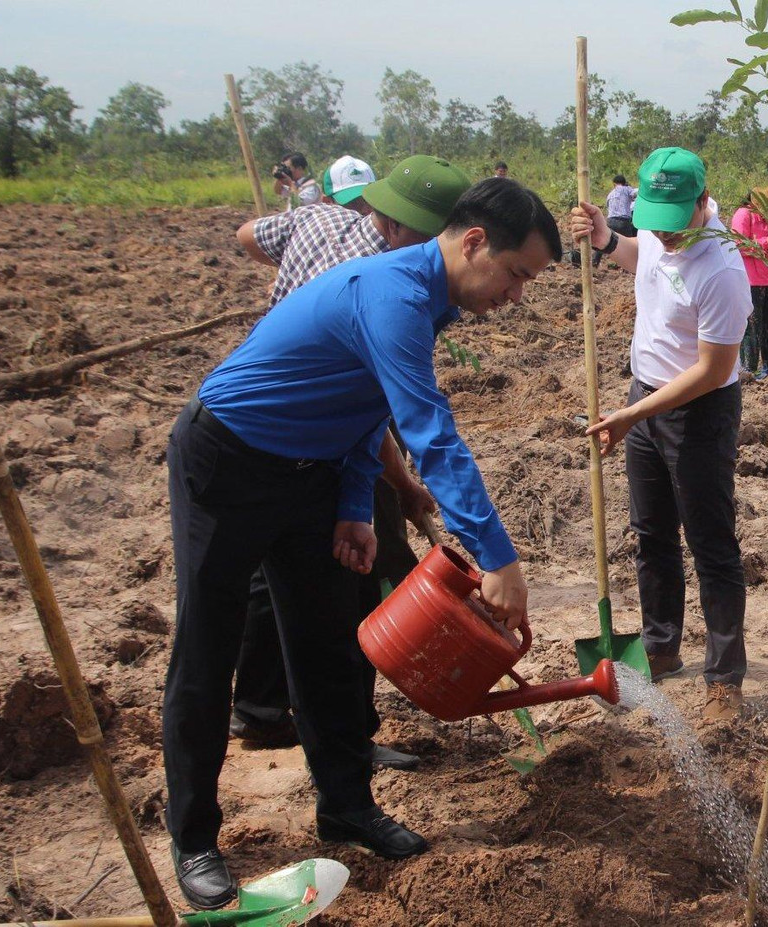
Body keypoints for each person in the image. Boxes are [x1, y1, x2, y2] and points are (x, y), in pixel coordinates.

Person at [163, 176, 560, 910]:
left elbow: (363, 398)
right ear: (473, 242)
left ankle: (345, 806)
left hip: (312, 473)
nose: (516, 295)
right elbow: (429, 432)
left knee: (329, 643)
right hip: (229, 459)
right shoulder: (393, 294)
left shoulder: (434, 300)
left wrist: (352, 501)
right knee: (208, 643)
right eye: (515, 274)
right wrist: (499, 558)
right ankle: (193, 837)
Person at [230, 156, 466, 770]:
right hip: (320, 428)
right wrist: (401, 483)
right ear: (393, 226)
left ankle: (257, 710)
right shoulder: (384, 282)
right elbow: (381, 414)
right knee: (364, 569)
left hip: (269, 424)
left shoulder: (309, 221)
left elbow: (246, 235)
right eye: (436, 237)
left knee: (270, 575)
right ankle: (351, 733)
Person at [569, 147, 752, 721]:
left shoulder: (722, 268)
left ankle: (725, 678)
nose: (666, 235)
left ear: (703, 202)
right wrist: (604, 238)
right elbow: (639, 257)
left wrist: (633, 415)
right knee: (650, 531)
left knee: (711, 542)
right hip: (642, 395)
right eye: (657, 223)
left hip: (697, 410)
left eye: (677, 224)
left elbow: (713, 370)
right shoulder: (657, 227)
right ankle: (661, 645)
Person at [730, 186, 768, 378]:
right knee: (753, 325)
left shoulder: (767, 218)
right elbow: (738, 244)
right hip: (750, 280)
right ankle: (750, 369)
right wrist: (766, 243)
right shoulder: (743, 214)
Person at [596, 174, 637, 262]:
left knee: (604, 240)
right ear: (624, 182)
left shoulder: (610, 194)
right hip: (623, 221)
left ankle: (595, 261)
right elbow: (635, 194)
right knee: (629, 243)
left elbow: (608, 207)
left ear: (614, 184)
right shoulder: (627, 189)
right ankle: (629, 264)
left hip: (610, 221)